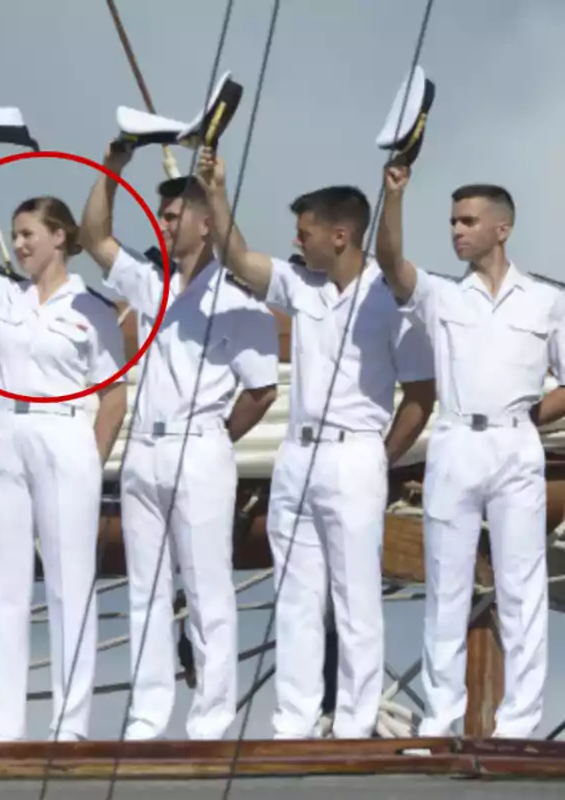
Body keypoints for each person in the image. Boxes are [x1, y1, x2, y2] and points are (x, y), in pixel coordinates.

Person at [197, 148, 436, 739]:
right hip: (298, 455)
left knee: (354, 596)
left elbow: (421, 394)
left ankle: (355, 723)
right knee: (296, 594)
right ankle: (293, 721)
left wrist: (379, 459)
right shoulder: (301, 288)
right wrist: (218, 191)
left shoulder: (391, 299)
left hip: (355, 450)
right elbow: (237, 256)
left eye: (305, 233)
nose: (296, 242)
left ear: (340, 235)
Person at [78, 143, 279, 740]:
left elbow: (261, 391)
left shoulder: (238, 299)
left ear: (204, 222)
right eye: (160, 216)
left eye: (172, 217)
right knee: (144, 588)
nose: (162, 224)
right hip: (144, 446)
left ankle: (211, 718)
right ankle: (146, 714)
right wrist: (112, 166)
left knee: (208, 585)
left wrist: (216, 435)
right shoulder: (150, 285)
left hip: (199, 443)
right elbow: (94, 235)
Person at [0, 144, 128, 742]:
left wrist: (88, 464)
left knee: (70, 586)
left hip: (66, 433)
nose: (18, 245)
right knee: (7, 586)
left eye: (28, 234)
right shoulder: (4, 298)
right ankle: (8, 727)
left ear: (61, 237)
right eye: (14, 235)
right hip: (5, 435)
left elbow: (113, 399)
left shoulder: (93, 309)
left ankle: (70, 726)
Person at [376, 167, 565, 738]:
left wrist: (529, 418)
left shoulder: (547, 301)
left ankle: (519, 724)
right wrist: (394, 195)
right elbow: (389, 262)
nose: (457, 231)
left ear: (501, 228)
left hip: (514, 442)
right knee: (447, 582)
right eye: (453, 221)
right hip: (456, 440)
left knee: (521, 584)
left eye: (468, 221)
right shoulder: (440, 294)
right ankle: (440, 717)